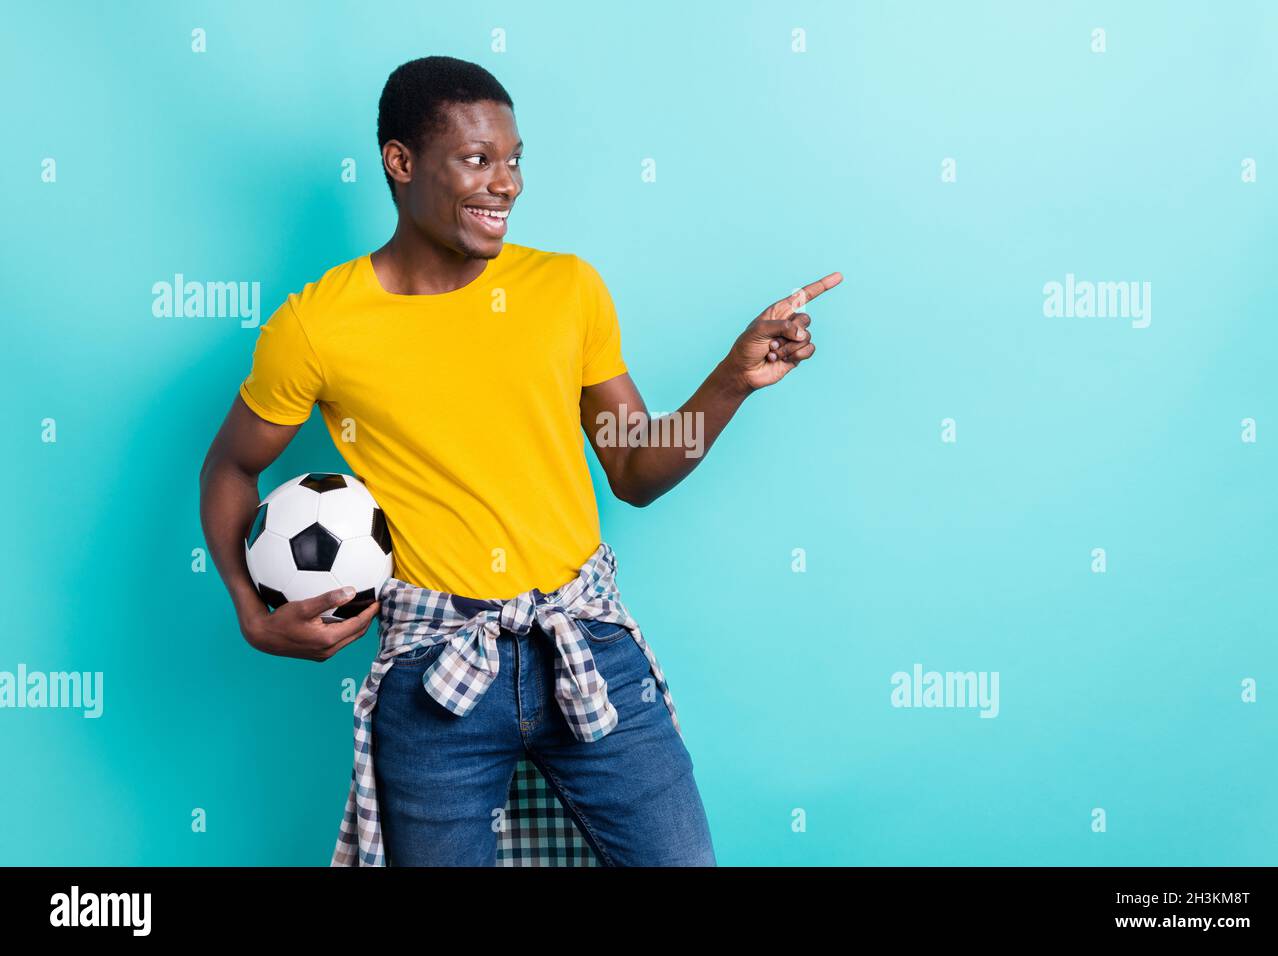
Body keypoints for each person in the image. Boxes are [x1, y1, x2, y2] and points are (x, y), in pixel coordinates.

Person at [198, 54, 841, 867]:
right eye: (477, 159)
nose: (506, 183)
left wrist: (730, 382)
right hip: (437, 674)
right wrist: (250, 612)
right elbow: (227, 469)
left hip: (588, 653)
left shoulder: (566, 289)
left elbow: (637, 469)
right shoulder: (319, 325)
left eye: (514, 160)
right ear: (401, 163)